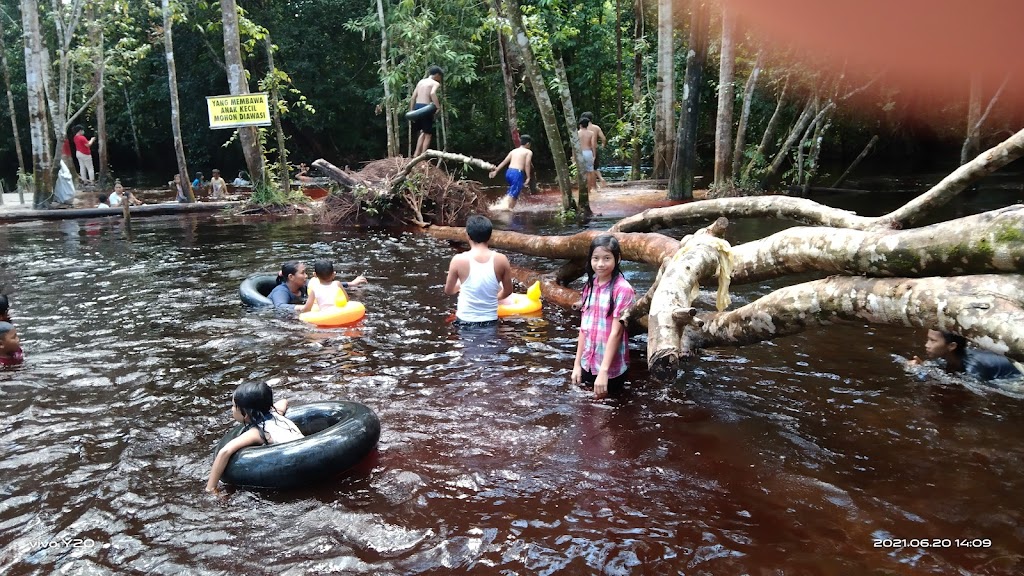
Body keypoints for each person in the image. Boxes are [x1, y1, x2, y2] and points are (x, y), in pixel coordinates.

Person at [206, 381, 303, 493]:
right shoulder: (277, 414)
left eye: (233, 406)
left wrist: (211, 488)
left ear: (246, 414)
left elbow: (225, 452)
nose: (232, 409)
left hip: (294, 468)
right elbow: (283, 401)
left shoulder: (257, 432)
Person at [572, 235, 636, 398]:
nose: (600, 264)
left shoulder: (622, 289)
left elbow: (617, 333)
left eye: (607, 258)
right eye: (596, 258)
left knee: (605, 417)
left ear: (618, 258)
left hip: (610, 369)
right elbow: (584, 328)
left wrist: (603, 372)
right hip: (588, 362)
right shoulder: (590, 284)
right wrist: (577, 365)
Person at [444, 214, 514, 325]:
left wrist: (460, 286)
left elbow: (448, 291)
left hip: (465, 322)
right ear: (490, 236)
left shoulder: (458, 260)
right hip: (490, 322)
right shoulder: (501, 259)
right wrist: (494, 298)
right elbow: (508, 291)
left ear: (467, 235)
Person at [909, 329, 1023, 382]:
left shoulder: (973, 367)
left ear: (951, 346)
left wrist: (925, 373)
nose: (926, 345)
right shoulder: (946, 358)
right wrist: (923, 367)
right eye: (928, 339)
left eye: (933, 341)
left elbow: (975, 389)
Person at [298, 259, 368, 314]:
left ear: (315, 275)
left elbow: (307, 309)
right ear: (334, 274)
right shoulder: (337, 284)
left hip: (324, 316)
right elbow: (346, 300)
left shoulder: (314, 289)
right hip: (339, 313)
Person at [489, 135, 533, 210]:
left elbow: (504, 162)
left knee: (513, 192)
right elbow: (527, 164)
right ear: (528, 144)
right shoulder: (528, 152)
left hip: (509, 172)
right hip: (517, 173)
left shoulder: (513, 151)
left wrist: (496, 171)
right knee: (514, 193)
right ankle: (505, 208)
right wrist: (528, 177)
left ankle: (507, 207)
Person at [409, 66, 443, 157]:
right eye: (440, 76)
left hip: (417, 107)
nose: (440, 79)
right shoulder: (435, 83)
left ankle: (416, 154)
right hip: (425, 108)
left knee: (423, 132)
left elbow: (413, 97)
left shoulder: (421, 82)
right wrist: (438, 107)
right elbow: (432, 93)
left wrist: (412, 112)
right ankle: (423, 156)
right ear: (437, 75)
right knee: (428, 134)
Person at [580, 111, 608, 187]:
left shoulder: (582, 129)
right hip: (594, 149)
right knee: (593, 168)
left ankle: (593, 185)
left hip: (584, 150)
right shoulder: (596, 128)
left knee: (588, 170)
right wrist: (602, 145)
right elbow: (604, 139)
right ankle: (599, 181)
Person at [578, 118, 598, 193]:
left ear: (580, 125)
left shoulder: (577, 133)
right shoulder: (591, 133)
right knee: (590, 171)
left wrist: (573, 156)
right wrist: (594, 155)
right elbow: (593, 145)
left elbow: (574, 146)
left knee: (581, 172)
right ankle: (589, 189)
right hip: (588, 152)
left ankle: (582, 189)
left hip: (580, 153)